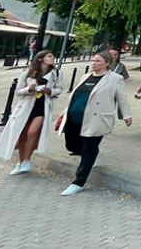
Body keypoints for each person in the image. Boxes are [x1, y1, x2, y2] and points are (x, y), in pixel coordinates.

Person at [54, 51, 132, 196]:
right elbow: (75, 96)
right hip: (75, 117)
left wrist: (127, 115)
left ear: (107, 63)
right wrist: (65, 112)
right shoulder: (85, 76)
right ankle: (91, 154)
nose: (93, 63)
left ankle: (78, 182)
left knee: (89, 148)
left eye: (97, 61)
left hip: (96, 119)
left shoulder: (115, 79)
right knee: (71, 145)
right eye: (93, 60)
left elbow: (122, 98)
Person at [0, 50, 61, 175]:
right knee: (22, 135)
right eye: (50, 56)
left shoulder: (56, 73)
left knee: (33, 132)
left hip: (42, 107)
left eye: (52, 56)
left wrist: (50, 91)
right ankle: (22, 162)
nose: (52, 58)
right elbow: (18, 91)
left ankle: (27, 160)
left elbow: (59, 89)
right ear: (41, 59)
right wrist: (29, 89)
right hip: (26, 107)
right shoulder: (28, 72)